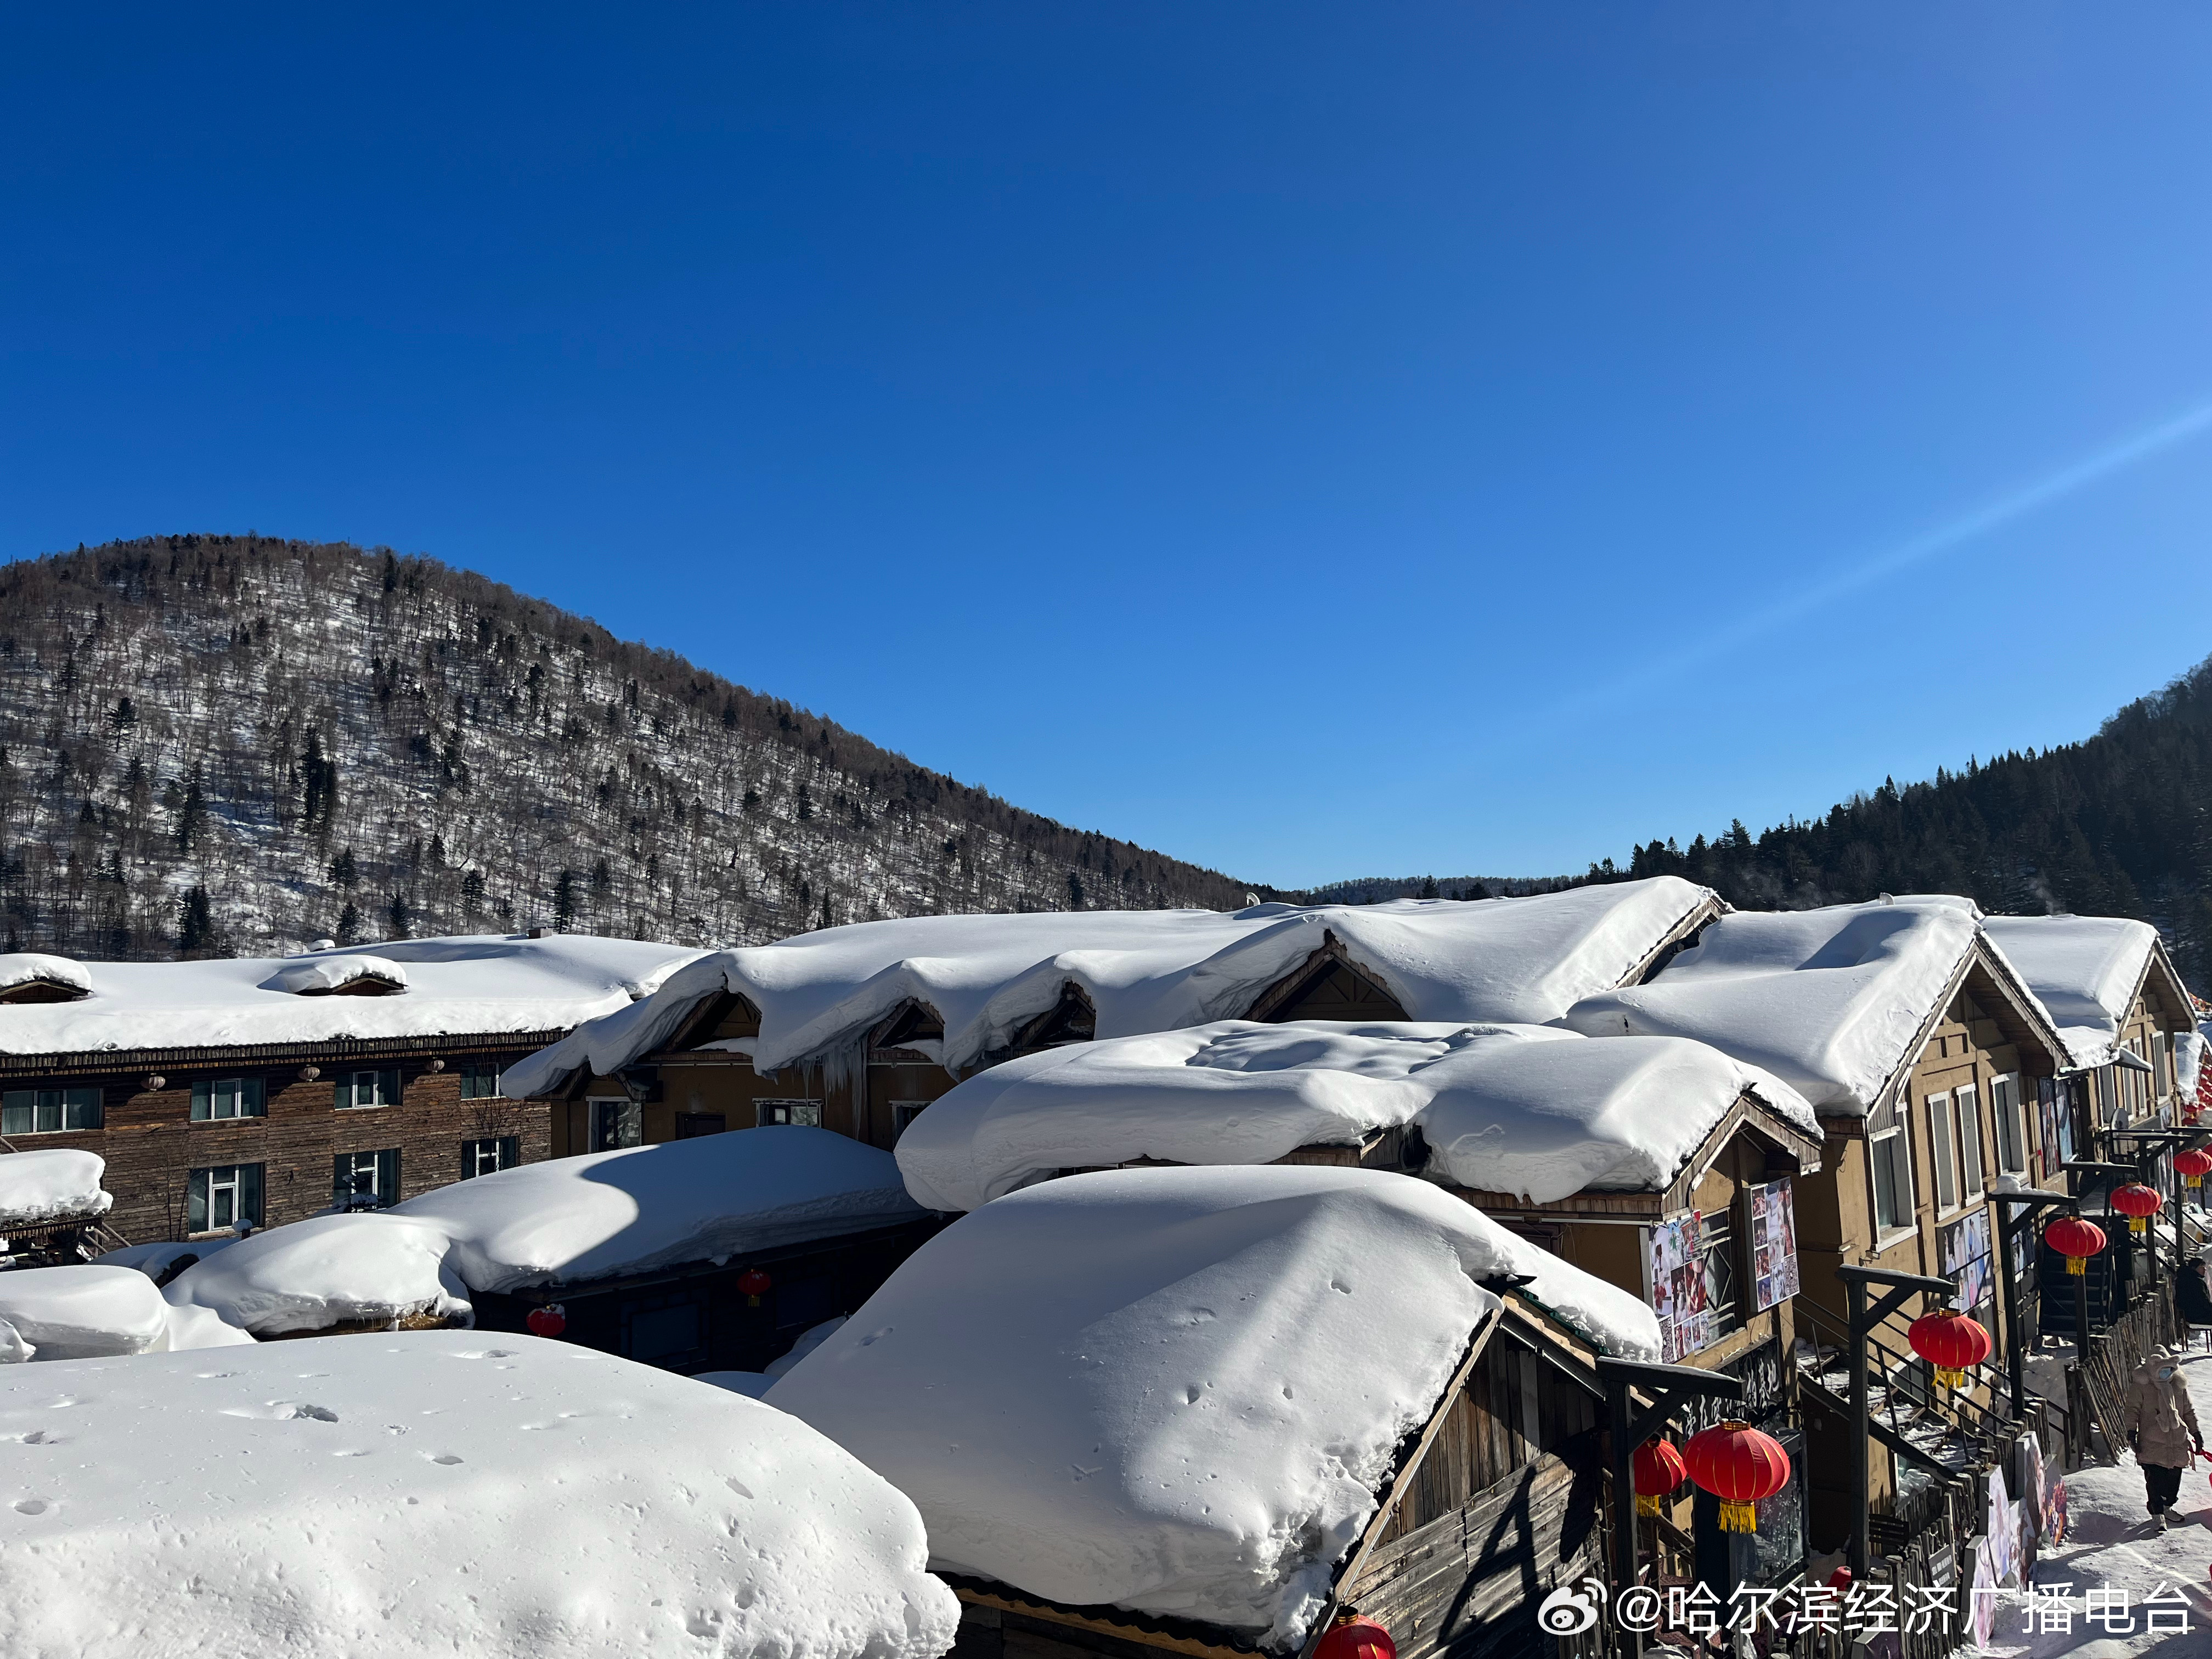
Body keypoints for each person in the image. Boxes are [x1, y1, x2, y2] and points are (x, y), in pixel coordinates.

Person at [2124, 1344, 2204, 1529]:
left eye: (2170, 1369)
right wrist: (2131, 1432)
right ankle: (2157, 1514)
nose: (2166, 1373)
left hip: (2177, 1442)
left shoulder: (2178, 1385)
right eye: (2162, 1370)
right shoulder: (2142, 1386)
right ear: (2153, 1368)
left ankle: (2167, 1507)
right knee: (2155, 1481)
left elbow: (2188, 1411)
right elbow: (2132, 1411)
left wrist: (2196, 1433)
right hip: (2152, 1443)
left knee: (2173, 1483)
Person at [2179, 1254, 2212, 1350]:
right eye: (2202, 1267)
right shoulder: (2196, 1282)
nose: (2205, 1270)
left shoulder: (2186, 1279)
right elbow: (2203, 1302)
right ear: (2195, 1268)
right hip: (2197, 1316)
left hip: (2191, 1314)